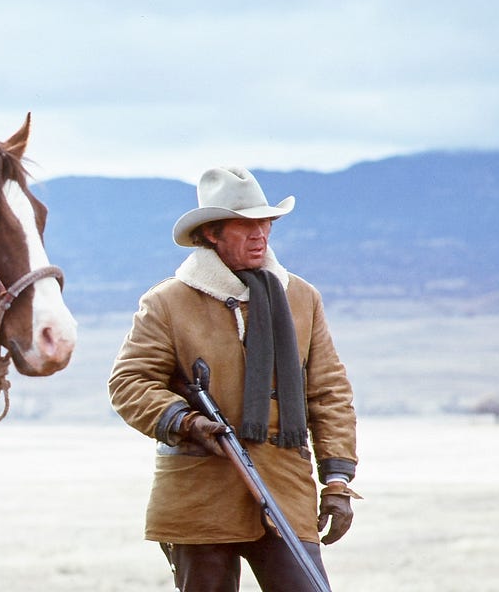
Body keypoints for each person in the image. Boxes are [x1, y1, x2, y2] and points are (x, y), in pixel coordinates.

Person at [107, 166, 360, 591]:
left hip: (286, 490)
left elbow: (329, 392)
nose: (260, 234)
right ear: (211, 233)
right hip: (199, 497)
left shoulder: (302, 298)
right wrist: (185, 421)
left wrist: (337, 480)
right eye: (246, 225)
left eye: (266, 222)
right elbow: (129, 384)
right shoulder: (167, 302)